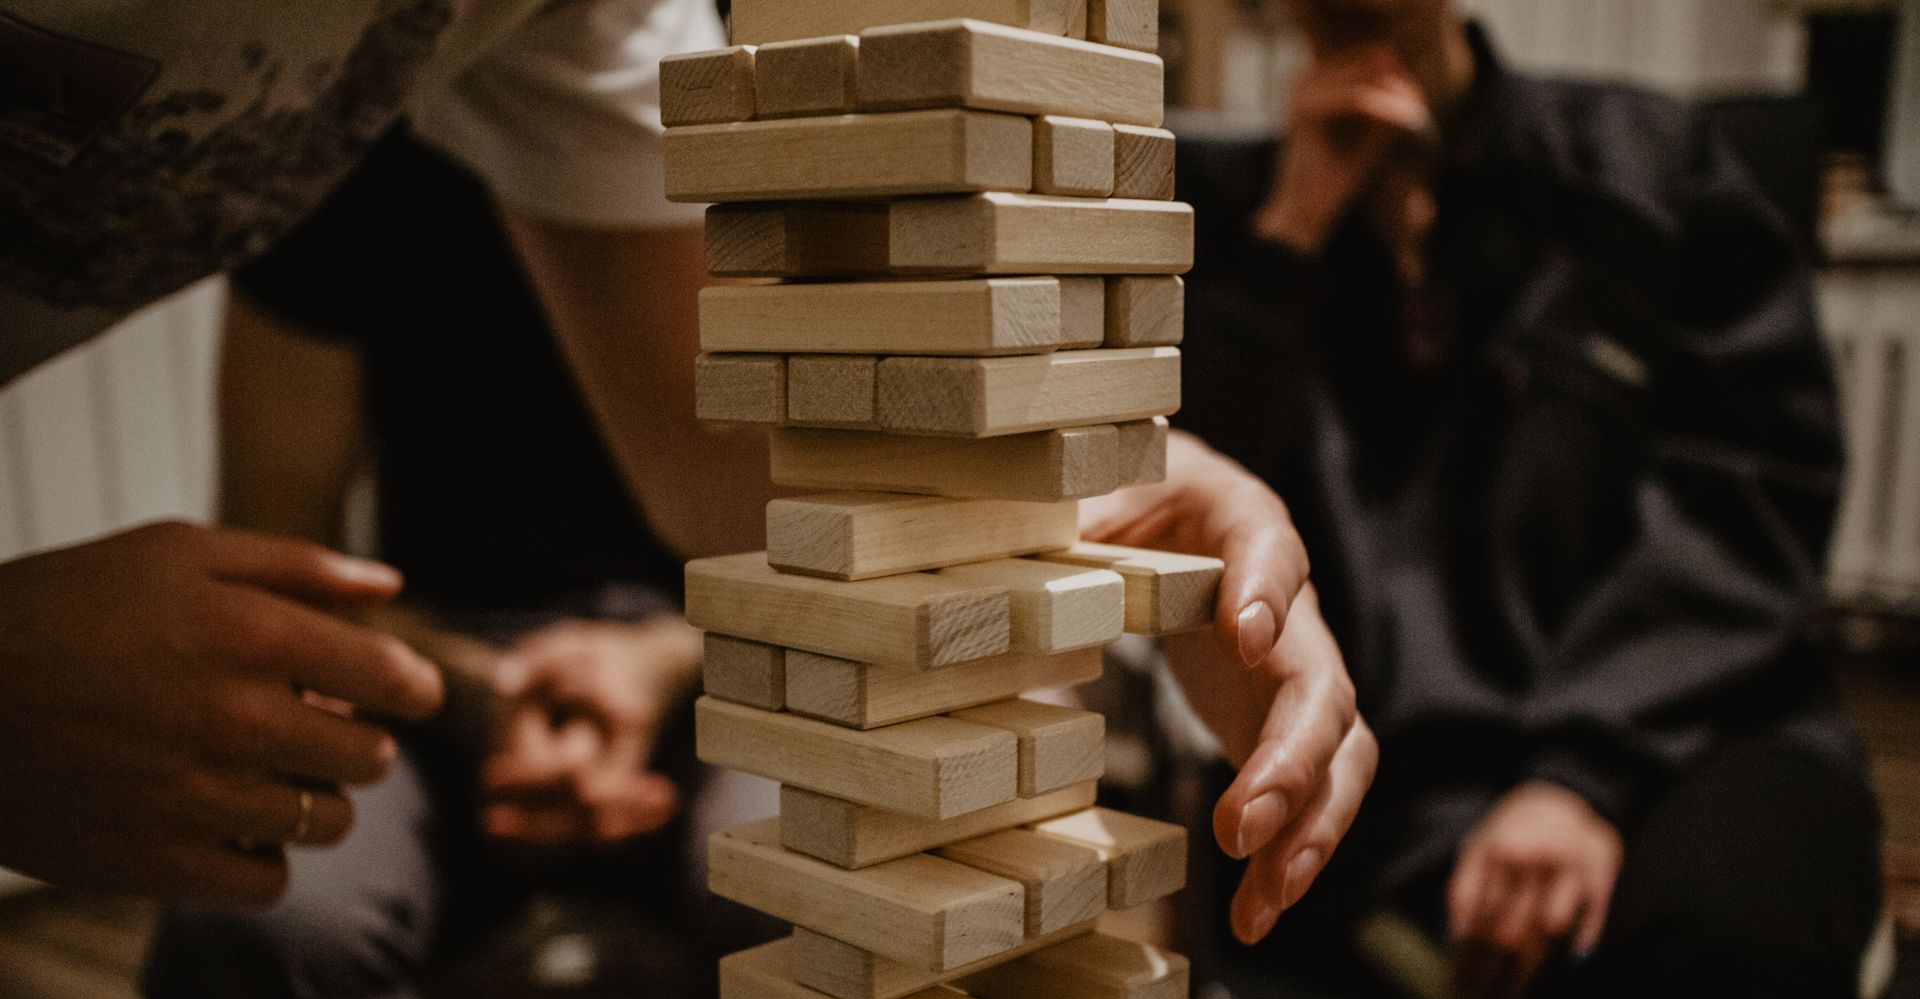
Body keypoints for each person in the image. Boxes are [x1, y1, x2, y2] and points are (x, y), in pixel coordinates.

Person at [0, 0, 1372, 939]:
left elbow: (732, 451)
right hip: (459, 656)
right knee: (272, 929)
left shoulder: (574, 30)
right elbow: (282, 547)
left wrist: (1125, 506)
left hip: (682, 655)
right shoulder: (368, 207)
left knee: (863, 880)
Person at [1177, 0, 1909, 999]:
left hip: (1690, 711)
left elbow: (1746, 489)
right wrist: (1294, 239)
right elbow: (1198, 520)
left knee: (1731, 966)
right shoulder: (1232, 207)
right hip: (1408, 766)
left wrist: (1580, 772)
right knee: (1290, 880)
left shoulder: (1646, 163)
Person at [137, 127, 782, 999]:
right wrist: (483, 688)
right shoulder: (337, 165)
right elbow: (276, 544)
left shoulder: (771, 125)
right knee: (251, 936)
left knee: (829, 905)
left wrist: (656, 659)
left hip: (743, 647)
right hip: (437, 668)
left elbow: (834, 537)